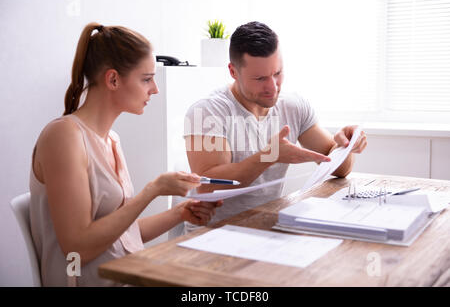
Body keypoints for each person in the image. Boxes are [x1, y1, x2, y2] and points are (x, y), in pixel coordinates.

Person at [29, 22, 222, 287]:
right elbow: (78, 249)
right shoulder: (64, 137)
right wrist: (152, 190)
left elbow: (122, 236)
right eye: (146, 79)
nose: (154, 89)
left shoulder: (112, 140)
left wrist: (180, 213)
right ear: (113, 79)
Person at [184, 21, 367, 230]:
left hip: (265, 226)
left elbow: (340, 169)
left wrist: (346, 143)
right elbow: (209, 186)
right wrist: (269, 156)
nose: (272, 87)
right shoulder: (207, 111)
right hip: (211, 235)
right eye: (260, 78)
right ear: (233, 72)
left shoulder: (293, 106)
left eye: (277, 73)